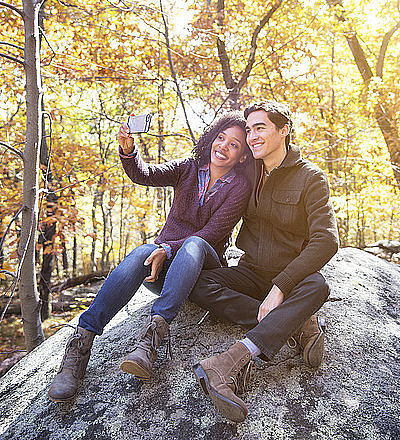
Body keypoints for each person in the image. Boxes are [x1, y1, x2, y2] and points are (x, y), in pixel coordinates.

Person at [48, 111, 252, 403]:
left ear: (243, 156)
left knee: (192, 243)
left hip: (204, 268)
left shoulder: (239, 188)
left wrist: (168, 248)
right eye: (221, 138)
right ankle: (80, 346)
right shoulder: (188, 168)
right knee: (143, 251)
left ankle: (150, 342)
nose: (223, 146)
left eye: (234, 145)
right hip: (168, 272)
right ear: (211, 138)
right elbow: (144, 174)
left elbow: (212, 233)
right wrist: (129, 151)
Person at [190, 100, 339, 423]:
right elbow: (201, 172)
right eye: (249, 129)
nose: (252, 135)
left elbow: (327, 240)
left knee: (318, 285)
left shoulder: (311, 178)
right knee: (198, 282)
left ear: (283, 130)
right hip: (250, 272)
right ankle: (295, 324)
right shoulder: (247, 169)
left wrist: (280, 288)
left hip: (291, 279)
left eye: (260, 127)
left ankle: (228, 362)